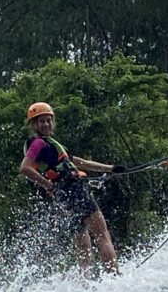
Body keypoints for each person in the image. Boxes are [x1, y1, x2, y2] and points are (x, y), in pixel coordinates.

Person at [19, 101, 124, 275]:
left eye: (48, 120)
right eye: (41, 121)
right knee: (102, 235)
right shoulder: (38, 144)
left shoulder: (51, 145)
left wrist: (111, 168)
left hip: (64, 197)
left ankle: (85, 284)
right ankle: (115, 276)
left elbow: (81, 162)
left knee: (83, 243)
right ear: (34, 124)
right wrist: (47, 184)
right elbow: (25, 168)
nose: (46, 124)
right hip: (74, 191)